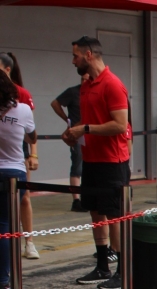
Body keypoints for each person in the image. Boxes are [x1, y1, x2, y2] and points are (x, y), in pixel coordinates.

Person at [62, 36, 130, 289]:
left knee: (116, 216)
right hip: (91, 160)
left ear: (89, 54)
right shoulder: (86, 85)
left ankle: (123, 271)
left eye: (76, 56)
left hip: (112, 162)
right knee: (95, 212)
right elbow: (86, 124)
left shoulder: (112, 84)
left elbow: (120, 124)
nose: (73, 61)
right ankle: (103, 266)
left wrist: (86, 129)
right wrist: (74, 134)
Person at [0, 71, 36, 289]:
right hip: (14, 171)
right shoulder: (22, 110)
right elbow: (31, 137)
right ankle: (4, 281)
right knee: (6, 225)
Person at [51, 75, 91, 214]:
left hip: (91, 132)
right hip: (77, 134)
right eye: (82, 79)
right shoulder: (74, 92)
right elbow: (55, 103)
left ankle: (87, 197)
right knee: (77, 165)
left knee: (90, 166)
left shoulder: (93, 92)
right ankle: (76, 200)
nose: (84, 82)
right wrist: (67, 120)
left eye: (87, 79)